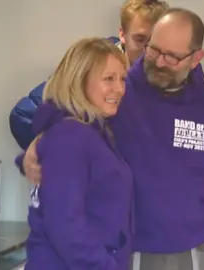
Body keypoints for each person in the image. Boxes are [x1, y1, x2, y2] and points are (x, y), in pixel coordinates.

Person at [16, 8, 204, 270]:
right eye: (154, 49)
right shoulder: (116, 90)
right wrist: (39, 141)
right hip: (122, 253)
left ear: (195, 58)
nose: (159, 62)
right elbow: (56, 102)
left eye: (172, 57)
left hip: (191, 253)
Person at [24, 37, 132, 270]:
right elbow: (65, 225)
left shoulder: (89, 131)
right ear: (79, 81)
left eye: (122, 79)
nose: (120, 89)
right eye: (108, 79)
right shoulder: (70, 136)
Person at [9, 0, 168, 150]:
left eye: (155, 42)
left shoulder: (175, 73)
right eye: (140, 39)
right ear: (123, 35)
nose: (149, 52)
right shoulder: (91, 63)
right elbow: (24, 116)